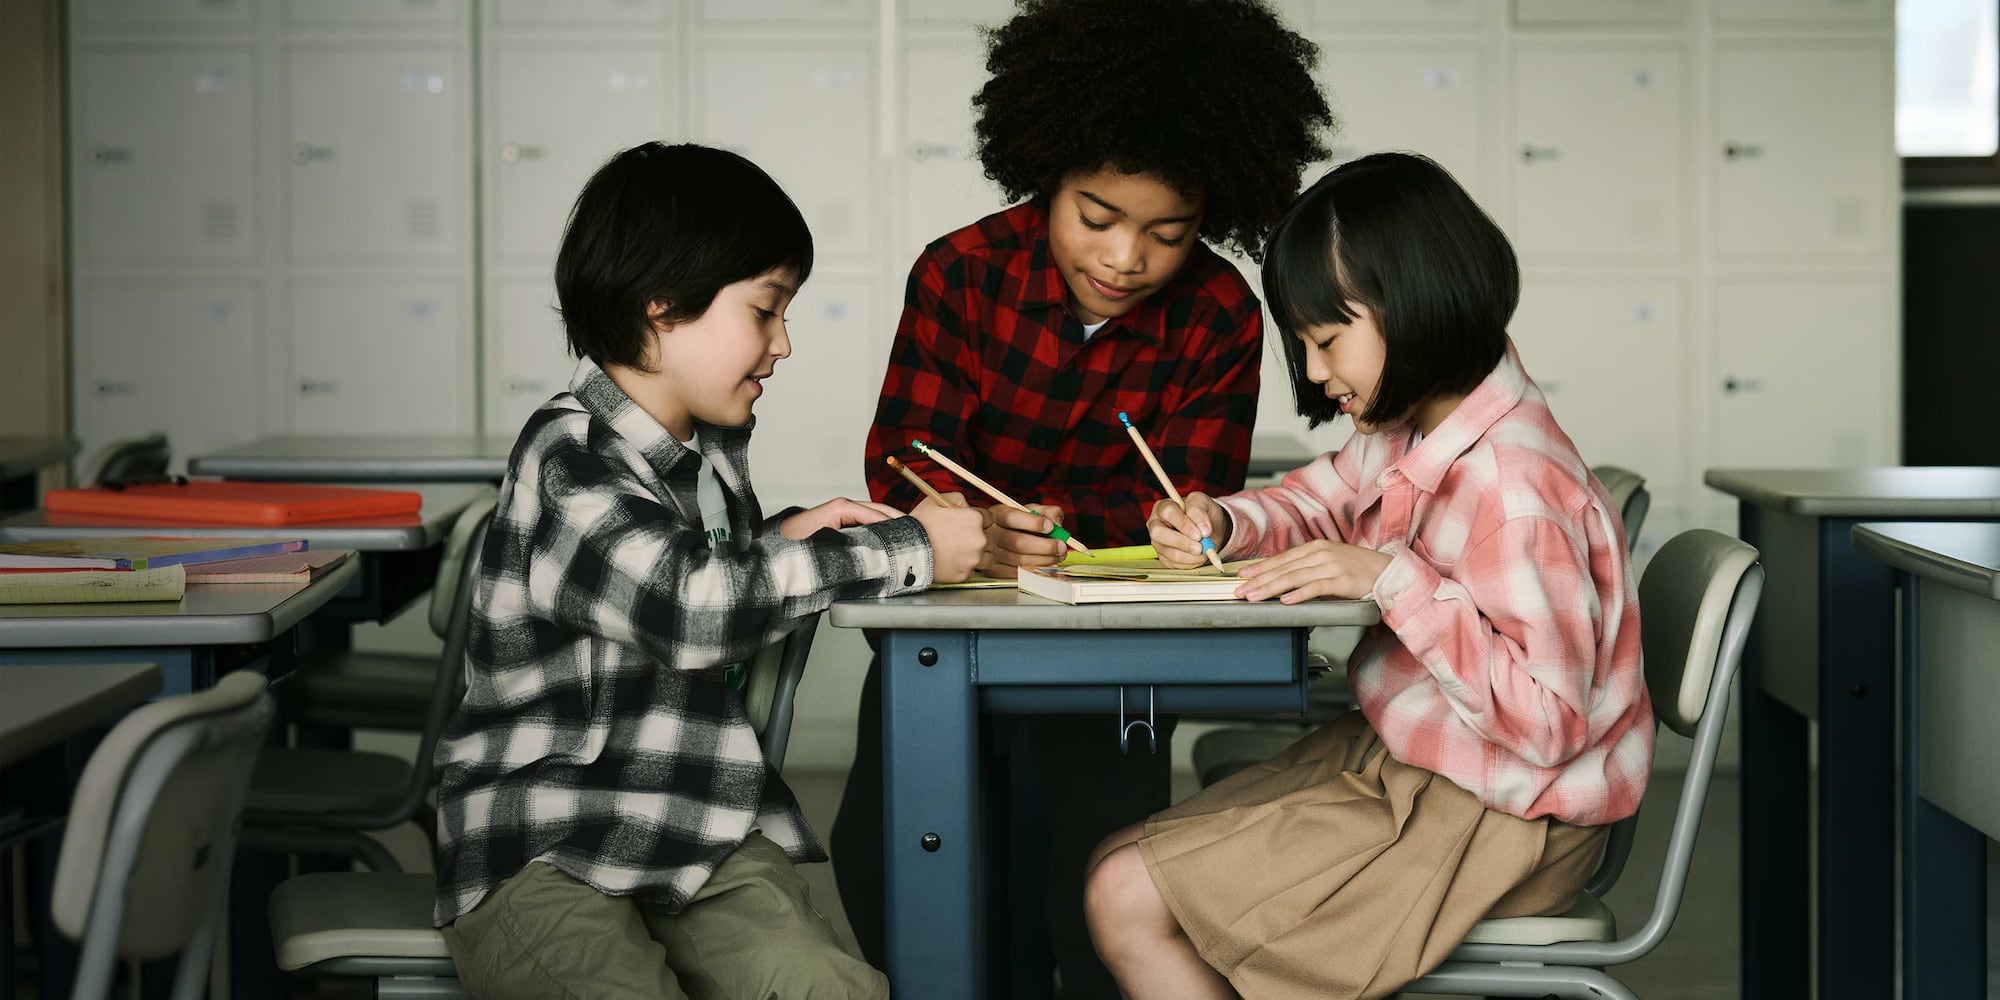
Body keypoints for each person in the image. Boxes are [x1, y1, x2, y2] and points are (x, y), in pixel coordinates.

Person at [833, 1, 1335, 995]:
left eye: (1166, 232)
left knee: (1104, 871)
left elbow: (1189, 499)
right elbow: (901, 463)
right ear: (1044, 176)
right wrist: (980, 531)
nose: (1122, 258)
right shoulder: (959, 273)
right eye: (1094, 218)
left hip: (1119, 649)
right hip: (952, 619)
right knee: (895, 850)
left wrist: (1043, 527)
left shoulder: (1221, 313)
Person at [1083, 152, 1654, 999]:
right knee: (1117, 862)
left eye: (1326, 340)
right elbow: (1319, 501)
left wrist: (1394, 579)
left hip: (1501, 814)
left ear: (1412, 302)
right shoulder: (1416, 424)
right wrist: (1225, 520)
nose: (1314, 373)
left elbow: (1548, 724)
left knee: (1126, 897)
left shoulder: (1514, 489)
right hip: (1430, 765)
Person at [430, 141, 987, 1000]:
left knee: (834, 989)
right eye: (766, 311)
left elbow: (684, 567)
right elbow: (683, 603)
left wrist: (780, 533)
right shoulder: (568, 451)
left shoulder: (705, 457)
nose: (784, 345)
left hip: (695, 825)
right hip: (542, 835)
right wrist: (909, 547)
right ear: (662, 305)